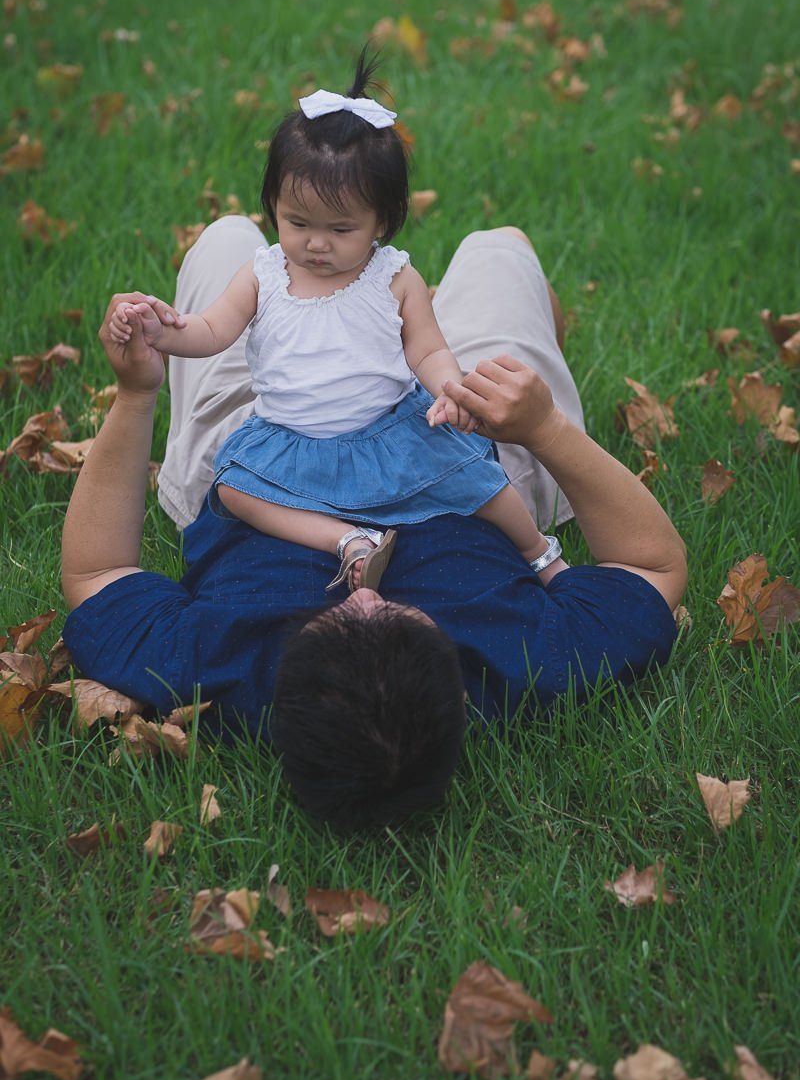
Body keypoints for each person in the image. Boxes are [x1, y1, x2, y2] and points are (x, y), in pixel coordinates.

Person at [61, 220, 687, 832]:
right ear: (459, 692)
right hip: (462, 447)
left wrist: (135, 393)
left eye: (334, 619)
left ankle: (376, 320)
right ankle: (406, 326)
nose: (364, 594)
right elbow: (651, 564)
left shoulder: (210, 666)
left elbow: (98, 571)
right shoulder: (531, 662)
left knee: (226, 239)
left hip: (266, 444)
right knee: (500, 248)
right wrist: (543, 428)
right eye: (398, 617)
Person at [106, 52, 555, 593]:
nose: (316, 244)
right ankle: (346, 540)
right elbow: (212, 330)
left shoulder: (393, 277)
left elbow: (427, 350)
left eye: (341, 230)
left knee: (477, 478)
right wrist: (162, 331)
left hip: (388, 431)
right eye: (297, 223)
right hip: (293, 442)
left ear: (382, 221)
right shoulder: (265, 274)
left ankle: (538, 552)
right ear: (273, 206)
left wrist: (449, 388)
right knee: (234, 490)